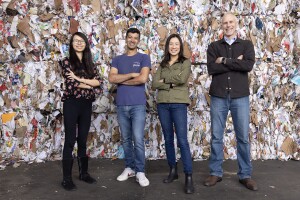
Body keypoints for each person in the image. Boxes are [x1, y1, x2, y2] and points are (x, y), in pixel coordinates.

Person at [204, 12, 258, 191]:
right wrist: (236, 62)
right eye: (225, 23)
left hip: (240, 97)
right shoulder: (213, 46)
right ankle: (215, 173)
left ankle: (245, 175)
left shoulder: (246, 45)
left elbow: (248, 65)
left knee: (242, 137)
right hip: (219, 96)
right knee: (216, 137)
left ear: (237, 23)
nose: (228, 25)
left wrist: (225, 61)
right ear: (221, 25)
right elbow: (212, 68)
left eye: (231, 22)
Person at [152, 34, 194, 194]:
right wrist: (170, 81)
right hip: (163, 104)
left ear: (180, 47)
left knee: (182, 141)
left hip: (178, 103)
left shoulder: (185, 62)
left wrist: (165, 81)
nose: (174, 47)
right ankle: (173, 170)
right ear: (168, 46)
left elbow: (182, 79)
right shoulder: (162, 64)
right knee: (168, 139)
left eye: (177, 44)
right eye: (171, 44)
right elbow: (154, 83)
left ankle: (188, 176)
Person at [108, 28, 151, 187]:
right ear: (126, 39)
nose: (132, 40)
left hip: (138, 105)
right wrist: (132, 75)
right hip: (121, 105)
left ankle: (140, 171)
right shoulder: (117, 59)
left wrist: (122, 81)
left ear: (138, 41)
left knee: (138, 139)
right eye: (130, 37)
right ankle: (129, 167)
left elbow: (143, 78)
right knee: (126, 139)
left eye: (135, 38)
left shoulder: (144, 58)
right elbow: (112, 78)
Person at [60, 32, 102, 191]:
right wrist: (91, 85)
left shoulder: (90, 63)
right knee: (70, 140)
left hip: (86, 105)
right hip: (72, 104)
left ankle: (84, 173)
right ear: (71, 44)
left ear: (85, 44)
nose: (78, 43)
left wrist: (80, 80)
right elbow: (70, 87)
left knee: (83, 139)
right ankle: (66, 179)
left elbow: (100, 85)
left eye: (81, 41)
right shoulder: (66, 62)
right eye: (75, 41)